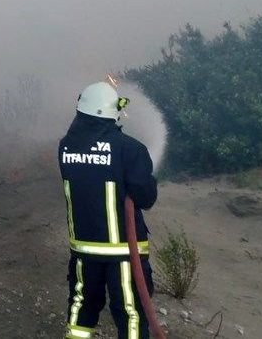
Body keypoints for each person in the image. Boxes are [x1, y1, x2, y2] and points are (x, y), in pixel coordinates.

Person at [59, 82, 158, 339]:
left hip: (83, 249)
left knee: (82, 305)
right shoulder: (130, 149)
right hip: (124, 251)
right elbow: (145, 197)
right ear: (111, 112)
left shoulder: (66, 147)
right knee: (131, 313)